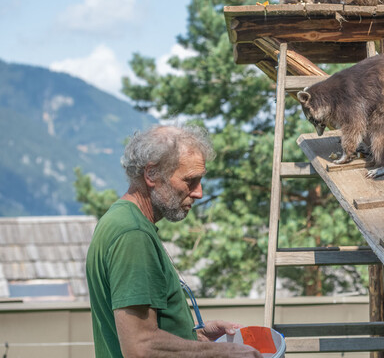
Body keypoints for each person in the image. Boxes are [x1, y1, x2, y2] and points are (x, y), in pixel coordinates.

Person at [86, 125, 261, 357]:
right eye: (190, 181)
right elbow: (141, 346)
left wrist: (195, 336)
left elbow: (142, 331)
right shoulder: (132, 233)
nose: (199, 192)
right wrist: (223, 352)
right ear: (152, 174)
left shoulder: (119, 219)